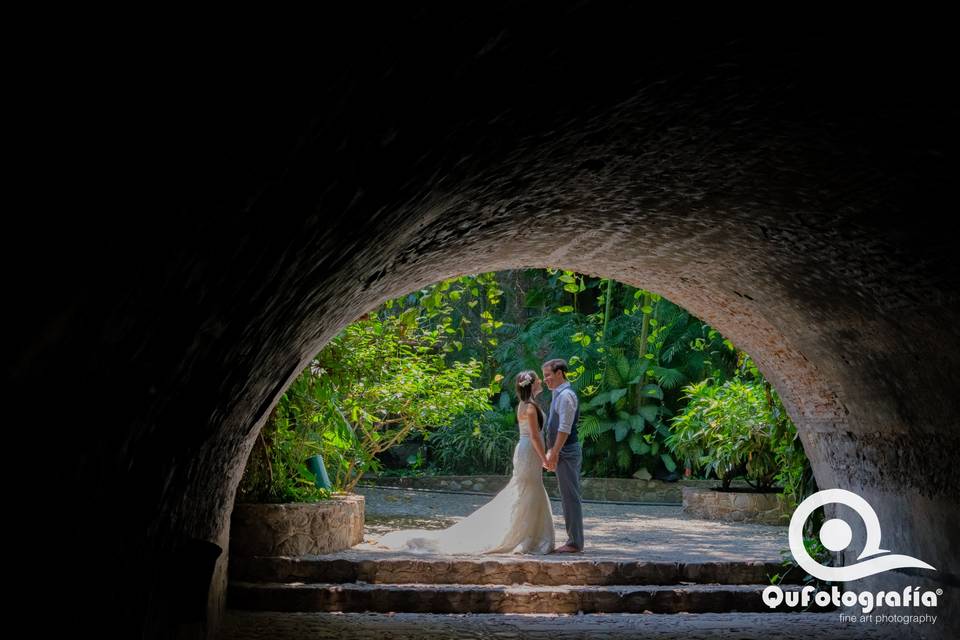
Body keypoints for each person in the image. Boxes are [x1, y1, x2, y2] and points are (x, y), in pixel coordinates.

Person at [375, 370, 555, 554]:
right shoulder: (531, 407)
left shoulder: (524, 405)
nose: (541, 381)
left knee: (528, 489)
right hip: (530, 451)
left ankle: (529, 533)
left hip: (527, 451)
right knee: (526, 489)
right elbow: (534, 436)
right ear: (532, 384)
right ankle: (524, 534)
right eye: (538, 380)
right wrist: (545, 458)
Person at [541, 358, 584, 553]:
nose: (546, 380)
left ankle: (575, 543)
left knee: (570, 497)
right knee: (567, 496)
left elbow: (564, 428)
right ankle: (574, 540)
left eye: (548, 375)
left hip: (566, 451)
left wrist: (554, 452)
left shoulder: (566, 396)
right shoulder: (558, 394)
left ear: (559, 374)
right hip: (562, 451)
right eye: (544, 376)